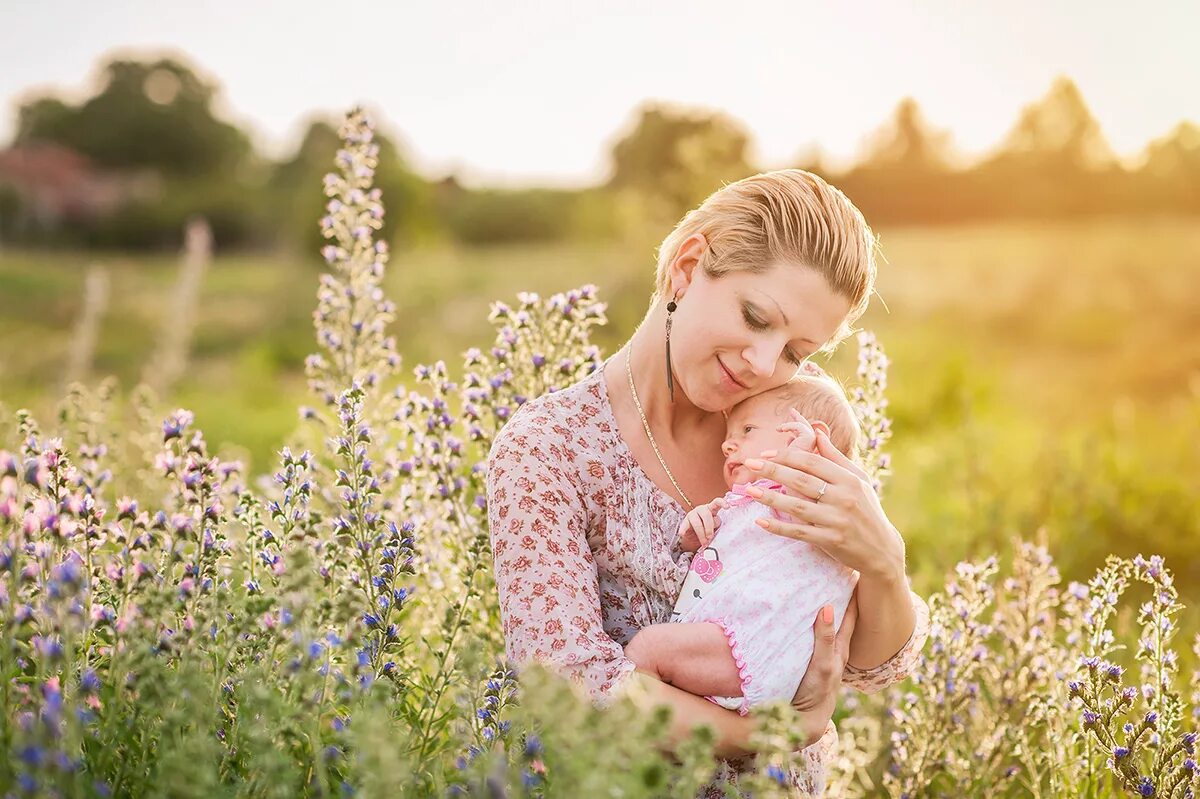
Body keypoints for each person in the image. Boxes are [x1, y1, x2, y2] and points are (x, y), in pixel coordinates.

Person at [486, 169, 929, 797]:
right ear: (688, 267)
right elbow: (566, 683)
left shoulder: (785, 430)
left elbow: (870, 662)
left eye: (797, 352)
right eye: (755, 317)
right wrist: (774, 733)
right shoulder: (548, 449)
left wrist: (883, 563)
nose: (764, 363)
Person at [623, 370, 860, 717]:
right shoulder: (747, 504)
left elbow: (828, 515)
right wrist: (697, 536)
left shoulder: (804, 500)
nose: (727, 444)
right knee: (659, 673)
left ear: (810, 439)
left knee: (647, 650)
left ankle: (613, 742)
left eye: (747, 430)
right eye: (730, 435)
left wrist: (806, 459)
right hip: (731, 645)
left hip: (755, 647)